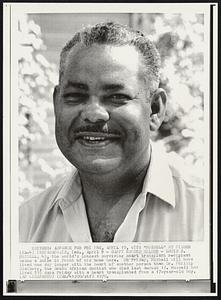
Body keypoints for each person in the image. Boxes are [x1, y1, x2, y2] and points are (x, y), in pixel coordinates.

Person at [19, 22, 203, 242]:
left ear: (155, 110)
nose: (94, 114)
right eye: (76, 96)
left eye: (116, 97)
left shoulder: (205, 215)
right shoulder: (24, 226)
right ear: (57, 104)